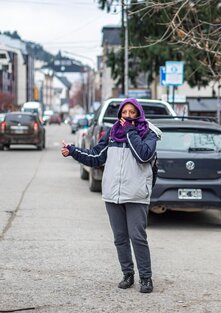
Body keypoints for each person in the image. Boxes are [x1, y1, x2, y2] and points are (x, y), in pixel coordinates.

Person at [61, 98, 161, 293]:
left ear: (139, 114)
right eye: (125, 113)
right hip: (112, 194)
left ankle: (146, 278)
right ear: (120, 114)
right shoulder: (112, 134)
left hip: (136, 194)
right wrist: (73, 151)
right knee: (120, 238)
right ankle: (127, 274)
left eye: (132, 113)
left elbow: (143, 156)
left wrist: (130, 131)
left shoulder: (148, 134)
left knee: (137, 237)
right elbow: (96, 156)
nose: (128, 116)